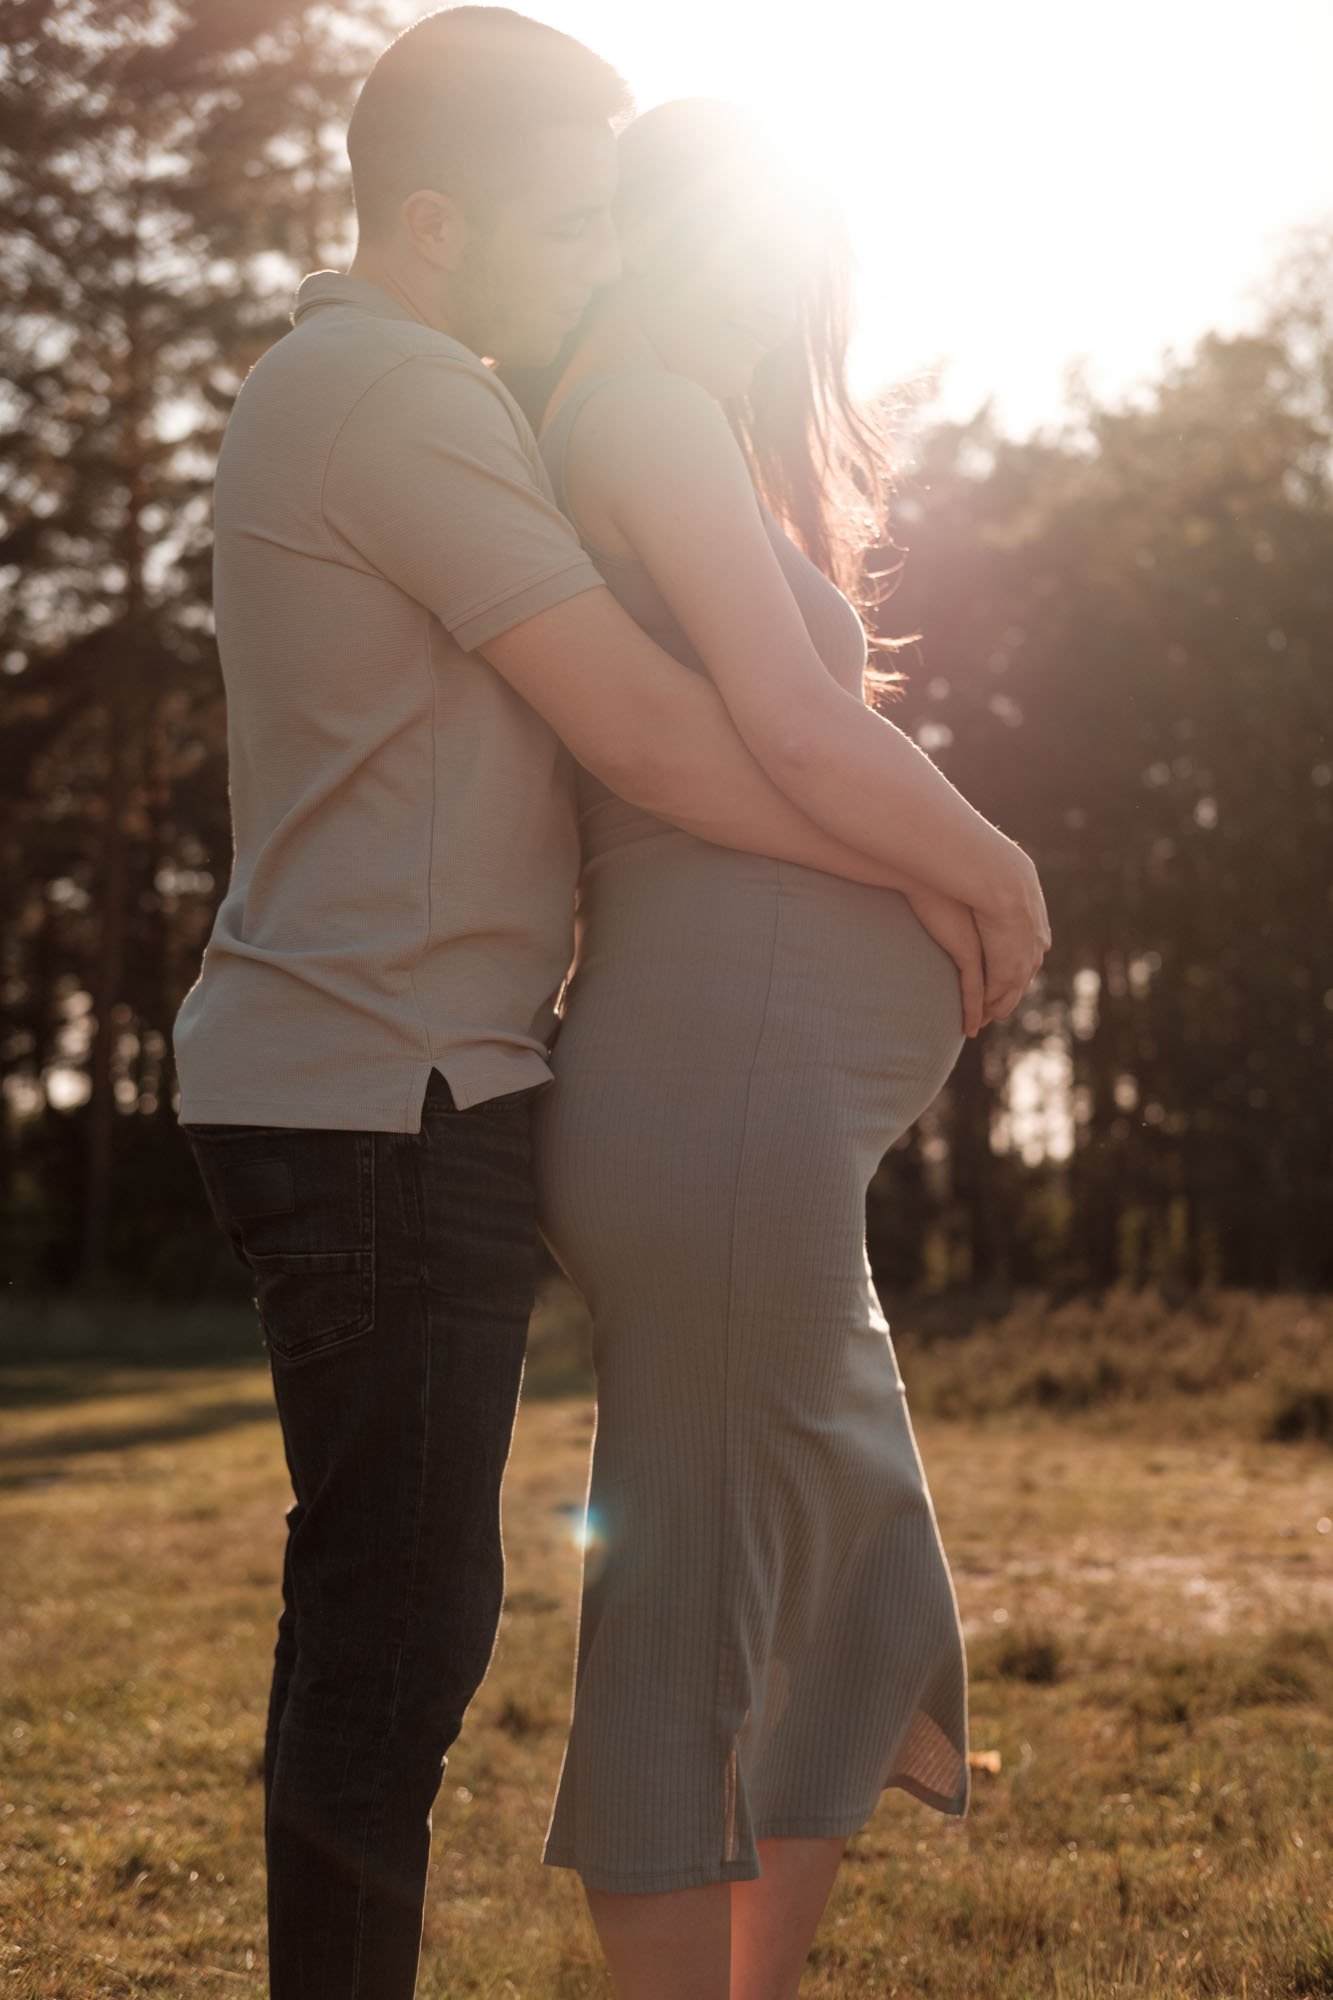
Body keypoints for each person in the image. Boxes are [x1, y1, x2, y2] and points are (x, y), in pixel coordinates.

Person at [172, 8, 1047, 1996]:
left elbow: (644, 742)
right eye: (574, 227)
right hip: (378, 1090)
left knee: (432, 1617)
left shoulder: (428, 392)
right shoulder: (391, 394)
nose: (604, 265)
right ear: (433, 218)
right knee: (418, 1633)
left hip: (440, 1079)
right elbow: (657, 736)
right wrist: (958, 864)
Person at [513, 99, 1051, 2000]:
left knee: (851, 1576)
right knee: (696, 1615)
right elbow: (792, 745)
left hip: (763, 1111)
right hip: (712, 1089)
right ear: (646, 233)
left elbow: (777, 760)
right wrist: (991, 880)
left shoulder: (693, 432)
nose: (771, 280)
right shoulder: (638, 413)